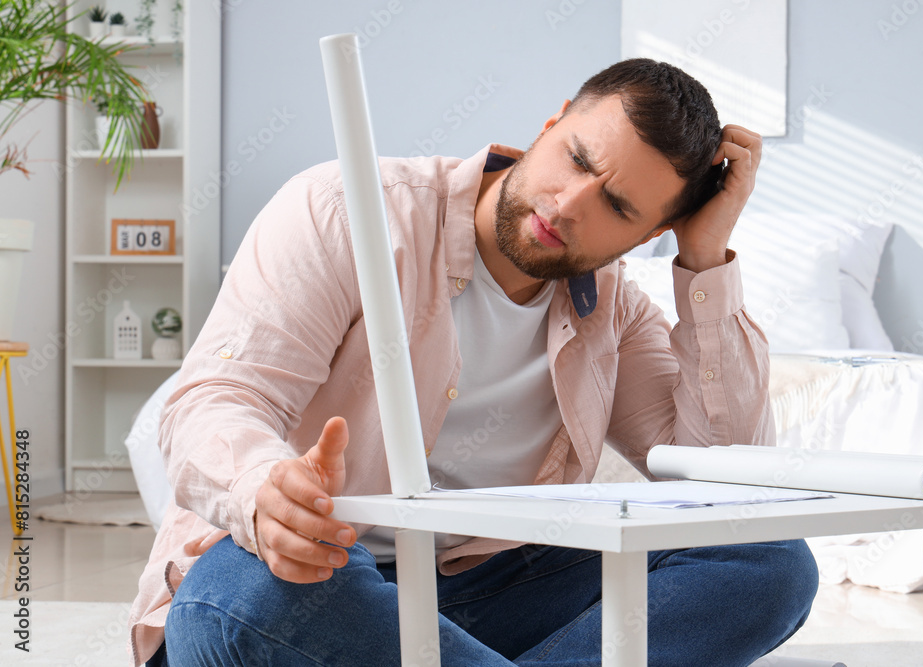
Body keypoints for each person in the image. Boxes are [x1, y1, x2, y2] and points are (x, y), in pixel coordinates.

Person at [128, 58, 818, 666]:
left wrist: (705, 259)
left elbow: (726, 489)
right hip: (314, 573)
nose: (569, 204)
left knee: (766, 559)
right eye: (576, 159)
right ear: (550, 125)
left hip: (485, 592)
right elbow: (213, 397)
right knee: (244, 599)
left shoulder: (613, 312)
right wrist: (262, 488)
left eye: (615, 204)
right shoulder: (344, 210)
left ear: (651, 233)